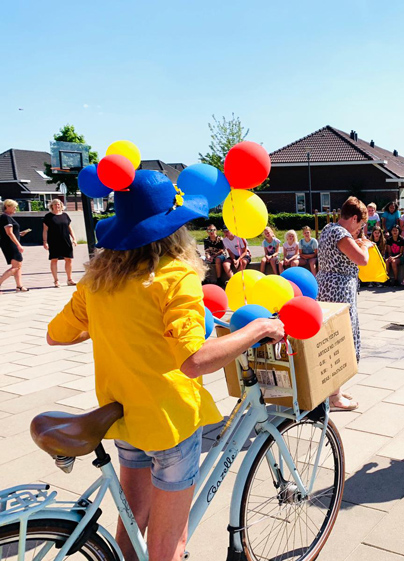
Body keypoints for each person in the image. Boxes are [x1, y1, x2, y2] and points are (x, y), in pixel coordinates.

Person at [46, 171, 285, 561]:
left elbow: (56, 335)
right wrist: (259, 327)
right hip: (168, 421)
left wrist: (114, 326)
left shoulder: (96, 282)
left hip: (123, 416)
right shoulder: (175, 276)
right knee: (167, 546)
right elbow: (194, 361)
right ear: (174, 230)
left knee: (132, 525)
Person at [316, 196, 371, 411]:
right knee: (339, 339)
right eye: (361, 225)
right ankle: (334, 396)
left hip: (328, 286)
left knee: (332, 337)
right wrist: (365, 246)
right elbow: (362, 259)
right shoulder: (340, 233)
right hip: (338, 292)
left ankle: (333, 390)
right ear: (355, 218)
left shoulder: (329, 228)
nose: (360, 230)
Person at [43, 199, 77, 288]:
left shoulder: (65, 215)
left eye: (58, 204)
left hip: (65, 240)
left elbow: (69, 228)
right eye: (55, 204)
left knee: (69, 259)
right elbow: (45, 230)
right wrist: (45, 242)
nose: (57, 206)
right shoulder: (48, 216)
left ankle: (69, 279)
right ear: (52, 206)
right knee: (54, 260)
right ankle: (56, 280)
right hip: (54, 241)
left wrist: (74, 238)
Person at [0, 199, 29, 292]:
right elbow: (9, 233)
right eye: (14, 206)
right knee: (16, 265)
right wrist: (18, 245)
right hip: (10, 244)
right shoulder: (6, 217)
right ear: (8, 206)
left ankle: (19, 286)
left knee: (18, 265)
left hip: (9, 243)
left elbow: (10, 232)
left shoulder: (6, 217)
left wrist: (19, 233)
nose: (16, 208)